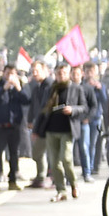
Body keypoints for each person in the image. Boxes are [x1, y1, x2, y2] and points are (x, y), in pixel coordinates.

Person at [38, 66, 87, 200]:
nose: (61, 76)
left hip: (67, 129)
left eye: (64, 73)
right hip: (51, 129)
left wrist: (73, 109)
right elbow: (42, 110)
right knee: (54, 162)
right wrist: (37, 129)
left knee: (66, 158)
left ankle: (73, 184)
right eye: (59, 73)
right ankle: (61, 190)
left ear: (69, 73)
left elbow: (84, 107)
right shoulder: (50, 89)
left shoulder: (76, 88)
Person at [0, 64, 29, 191]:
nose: (10, 76)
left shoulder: (18, 87)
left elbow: (26, 100)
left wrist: (18, 88)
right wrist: (4, 88)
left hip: (14, 126)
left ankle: (13, 180)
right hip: (0, 126)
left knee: (14, 155)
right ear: (4, 73)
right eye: (8, 73)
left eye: (12, 73)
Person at [24, 60, 50, 189]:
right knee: (37, 152)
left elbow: (45, 108)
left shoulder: (49, 85)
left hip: (48, 124)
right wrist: (29, 120)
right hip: (38, 123)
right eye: (32, 71)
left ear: (45, 70)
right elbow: (33, 105)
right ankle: (41, 176)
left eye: (37, 71)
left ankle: (46, 177)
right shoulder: (36, 87)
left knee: (44, 152)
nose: (34, 73)